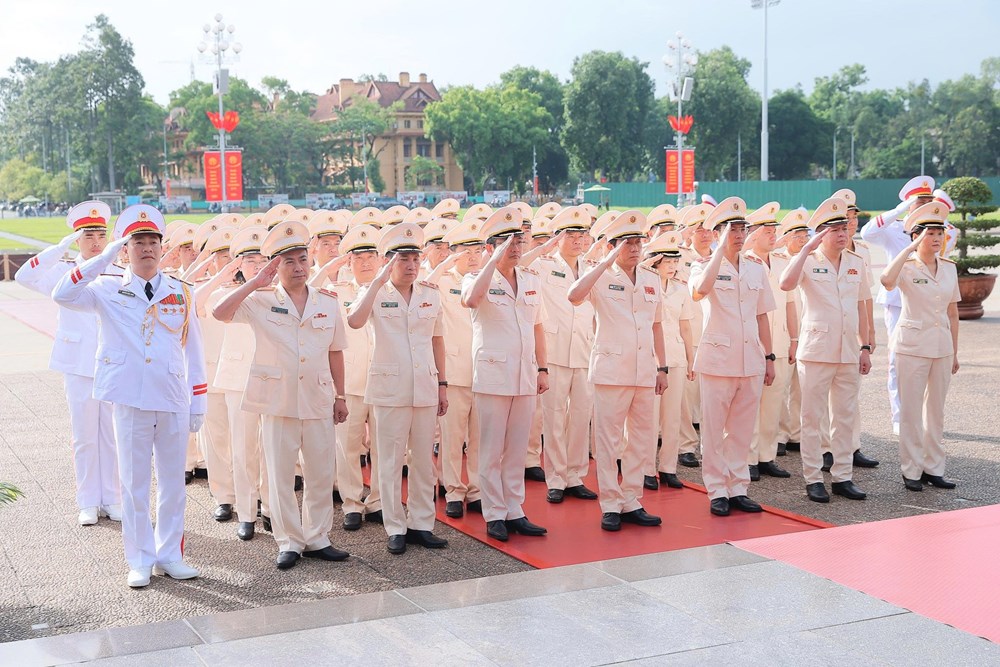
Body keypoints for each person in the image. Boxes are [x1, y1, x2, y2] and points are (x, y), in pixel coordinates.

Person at [52, 204, 206, 588]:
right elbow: (62, 294)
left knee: (173, 485)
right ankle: (139, 559)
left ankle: (170, 555)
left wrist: (198, 400)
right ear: (125, 249)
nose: (147, 248)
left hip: (170, 396)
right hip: (130, 398)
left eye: (153, 241)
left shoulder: (180, 291)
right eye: (138, 242)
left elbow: (194, 351)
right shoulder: (105, 288)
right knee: (134, 485)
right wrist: (100, 259)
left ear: (161, 246)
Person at [212, 220, 350, 571]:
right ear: (277, 265)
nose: (298, 267)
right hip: (278, 400)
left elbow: (336, 351)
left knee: (320, 472)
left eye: (302, 259)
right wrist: (256, 283)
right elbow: (219, 312)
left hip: (318, 397)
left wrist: (341, 395)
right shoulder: (260, 300)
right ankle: (289, 540)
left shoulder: (328, 302)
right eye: (289, 261)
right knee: (280, 475)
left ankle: (318, 537)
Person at [15, 201, 123, 526]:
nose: (95, 241)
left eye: (100, 234)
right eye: (87, 235)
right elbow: (24, 276)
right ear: (77, 238)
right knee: (84, 435)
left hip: (113, 363)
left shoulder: (118, 271)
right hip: (77, 362)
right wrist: (58, 248)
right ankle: (88, 500)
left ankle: (113, 497)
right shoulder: (62, 270)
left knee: (111, 434)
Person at [347, 223, 450, 555]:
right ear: (389, 261)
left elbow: (437, 340)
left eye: (415, 259)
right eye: (403, 259)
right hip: (390, 389)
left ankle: (422, 523)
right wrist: (376, 282)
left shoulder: (430, 293)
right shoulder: (376, 292)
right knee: (389, 461)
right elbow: (354, 320)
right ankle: (395, 525)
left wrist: (443, 385)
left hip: (424, 387)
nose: (411, 265)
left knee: (422, 460)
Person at [567, 210, 668, 532]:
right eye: (627, 242)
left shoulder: (651, 278)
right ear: (612, 245)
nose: (636, 248)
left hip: (644, 370)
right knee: (608, 441)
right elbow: (574, 295)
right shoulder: (600, 276)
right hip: (611, 369)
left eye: (639, 241)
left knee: (641, 438)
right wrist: (605, 260)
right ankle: (610, 503)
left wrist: (662, 367)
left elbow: (657, 326)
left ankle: (632, 499)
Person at [462, 207, 549, 542]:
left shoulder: (529, 279)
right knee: (491, 448)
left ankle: (515, 509)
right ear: (490, 246)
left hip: (525, 374)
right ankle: (494, 512)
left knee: (517, 447)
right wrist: (491, 260)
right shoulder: (476, 278)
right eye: (506, 241)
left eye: (519, 240)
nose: (515, 246)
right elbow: (471, 300)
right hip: (494, 376)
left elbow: (537, 326)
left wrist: (543, 367)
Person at [780, 197, 873, 503]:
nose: (842, 233)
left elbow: (861, 307)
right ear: (821, 233)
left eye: (844, 227)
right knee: (812, 418)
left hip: (848, 350)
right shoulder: (808, 260)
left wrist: (865, 346)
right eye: (834, 229)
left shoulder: (856, 263)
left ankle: (843, 477)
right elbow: (785, 284)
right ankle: (813, 478)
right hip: (816, 350)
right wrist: (805, 249)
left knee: (844, 417)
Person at [689, 198, 775, 516]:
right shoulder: (701, 266)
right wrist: (718, 252)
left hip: (749, 357)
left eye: (741, 229)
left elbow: (763, 314)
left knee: (741, 429)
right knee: (713, 429)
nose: (737, 235)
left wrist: (770, 356)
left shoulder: (754, 267)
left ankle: (738, 487)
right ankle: (716, 490)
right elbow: (700, 290)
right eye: (730, 229)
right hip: (717, 360)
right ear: (717, 233)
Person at [879, 202, 960, 491]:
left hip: (941, 348)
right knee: (911, 411)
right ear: (916, 237)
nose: (937, 239)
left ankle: (933, 468)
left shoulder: (949, 268)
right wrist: (907, 250)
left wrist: (955, 351)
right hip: (911, 347)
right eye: (930, 233)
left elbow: (952, 313)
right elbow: (886, 280)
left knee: (935, 411)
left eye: (940, 233)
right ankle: (911, 470)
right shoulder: (906, 267)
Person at [313, 224, 384, 530]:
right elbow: (307, 289)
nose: (366, 262)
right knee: (348, 446)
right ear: (348, 261)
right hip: (351, 380)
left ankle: (379, 500)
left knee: (385, 446)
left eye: (371, 255)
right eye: (358, 257)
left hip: (385, 379)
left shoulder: (390, 287)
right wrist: (331, 266)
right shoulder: (335, 291)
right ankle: (352, 502)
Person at [527, 206, 599, 504]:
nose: (578, 240)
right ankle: (556, 478)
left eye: (582, 234)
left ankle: (575, 476)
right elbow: (519, 263)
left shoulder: (593, 266)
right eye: (571, 234)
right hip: (555, 352)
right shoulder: (544, 265)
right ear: (560, 237)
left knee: (581, 417)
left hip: (585, 350)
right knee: (554, 418)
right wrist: (544, 246)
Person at [859, 176, 935, 435]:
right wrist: (901, 210)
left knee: (927, 359)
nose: (925, 206)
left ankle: (921, 415)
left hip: (927, 302)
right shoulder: (894, 229)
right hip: (898, 303)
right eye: (920, 202)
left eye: (928, 201)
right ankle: (899, 415)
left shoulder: (936, 229)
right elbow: (868, 232)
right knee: (897, 359)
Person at [210, 226, 271, 540]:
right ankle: (246, 512)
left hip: (274, 378)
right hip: (239, 380)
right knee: (243, 447)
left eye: (264, 259)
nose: (258, 266)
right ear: (238, 265)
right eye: (251, 261)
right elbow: (219, 310)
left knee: (273, 449)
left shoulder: (280, 293)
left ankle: (272, 508)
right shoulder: (226, 294)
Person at [435, 219, 487, 517]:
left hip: (484, 372)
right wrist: (445, 265)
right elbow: (424, 283)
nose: (472, 256)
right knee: (452, 438)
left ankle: (477, 489)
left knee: (480, 438)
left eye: (477, 249)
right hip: (454, 372)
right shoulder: (443, 281)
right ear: (453, 252)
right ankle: (453, 490)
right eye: (465, 250)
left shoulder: (487, 279)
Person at [743, 202, 795, 481]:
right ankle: (749, 458)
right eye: (767, 230)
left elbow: (790, 305)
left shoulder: (783, 262)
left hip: (781, 340)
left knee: (774, 402)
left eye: (774, 229)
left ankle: (766, 456)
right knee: (752, 403)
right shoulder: (745, 262)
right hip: (754, 341)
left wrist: (794, 338)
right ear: (754, 233)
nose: (773, 234)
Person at [191, 226, 239, 523]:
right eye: (220, 257)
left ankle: (254, 495)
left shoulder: (254, 289)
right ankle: (224, 496)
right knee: (217, 439)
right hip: (214, 373)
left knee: (250, 442)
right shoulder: (207, 290)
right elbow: (192, 303)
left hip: (244, 376)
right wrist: (218, 276)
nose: (228, 263)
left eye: (231, 257)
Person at [641, 230, 694, 490]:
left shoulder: (681, 289)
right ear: (655, 262)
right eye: (667, 262)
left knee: (672, 418)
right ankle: (646, 468)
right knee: (648, 418)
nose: (673, 267)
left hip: (675, 357)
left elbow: (686, 327)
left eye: (676, 262)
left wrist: (691, 358)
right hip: (650, 357)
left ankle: (668, 468)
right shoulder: (643, 284)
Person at [773, 208, 810, 454]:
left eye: (805, 235)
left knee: (801, 387)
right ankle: (780, 434)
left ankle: (797, 433)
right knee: (781, 386)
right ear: (785, 238)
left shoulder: (812, 260)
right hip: (786, 333)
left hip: (809, 331)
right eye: (797, 236)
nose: (803, 240)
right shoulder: (778, 260)